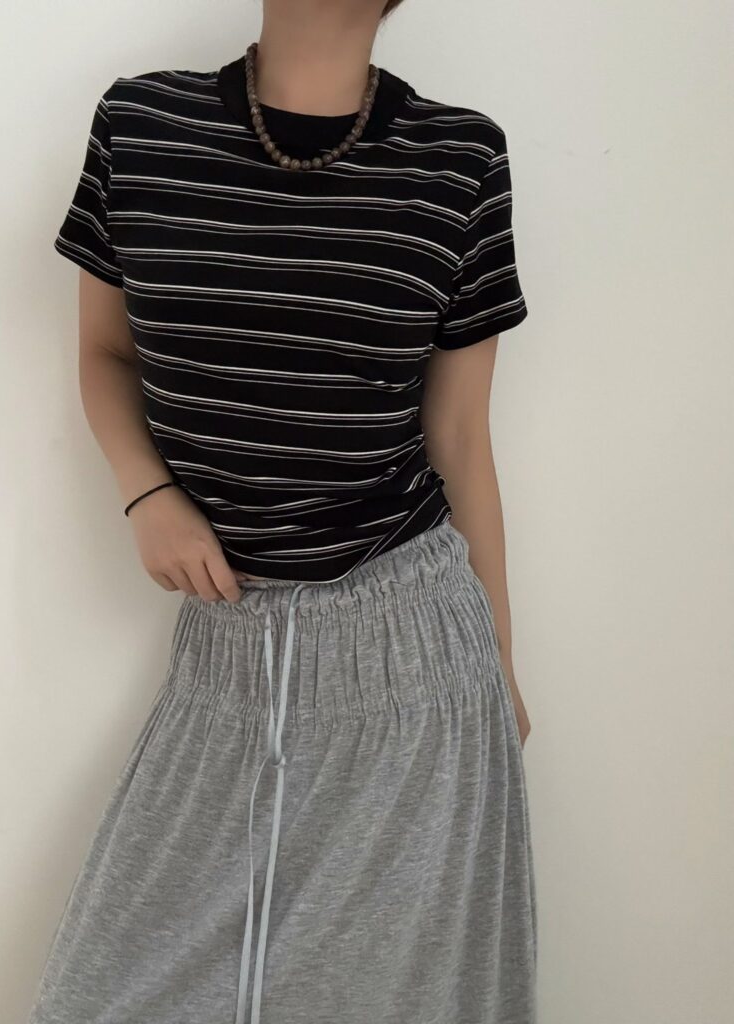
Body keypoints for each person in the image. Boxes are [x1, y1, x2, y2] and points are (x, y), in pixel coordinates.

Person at [28, 2, 537, 1022]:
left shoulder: (458, 158)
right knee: (103, 993)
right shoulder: (144, 124)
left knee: (405, 1000)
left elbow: (459, 438)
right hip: (226, 640)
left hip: (413, 644)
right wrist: (148, 493)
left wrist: (499, 662)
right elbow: (103, 352)